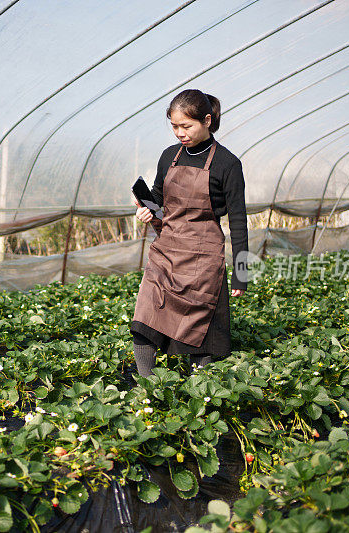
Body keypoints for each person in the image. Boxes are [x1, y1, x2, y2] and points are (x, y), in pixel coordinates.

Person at [130, 89, 248, 377]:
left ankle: (199, 390)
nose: (179, 133)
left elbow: (238, 222)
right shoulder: (169, 156)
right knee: (145, 317)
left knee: (199, 330)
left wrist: (242, 273)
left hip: (203, 255)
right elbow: (159, 198)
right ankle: (145, 387)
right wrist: (146, 209)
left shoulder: (227, 164)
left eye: (186, 126)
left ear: (207, 120)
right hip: (166, 250)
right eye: (174, 126)